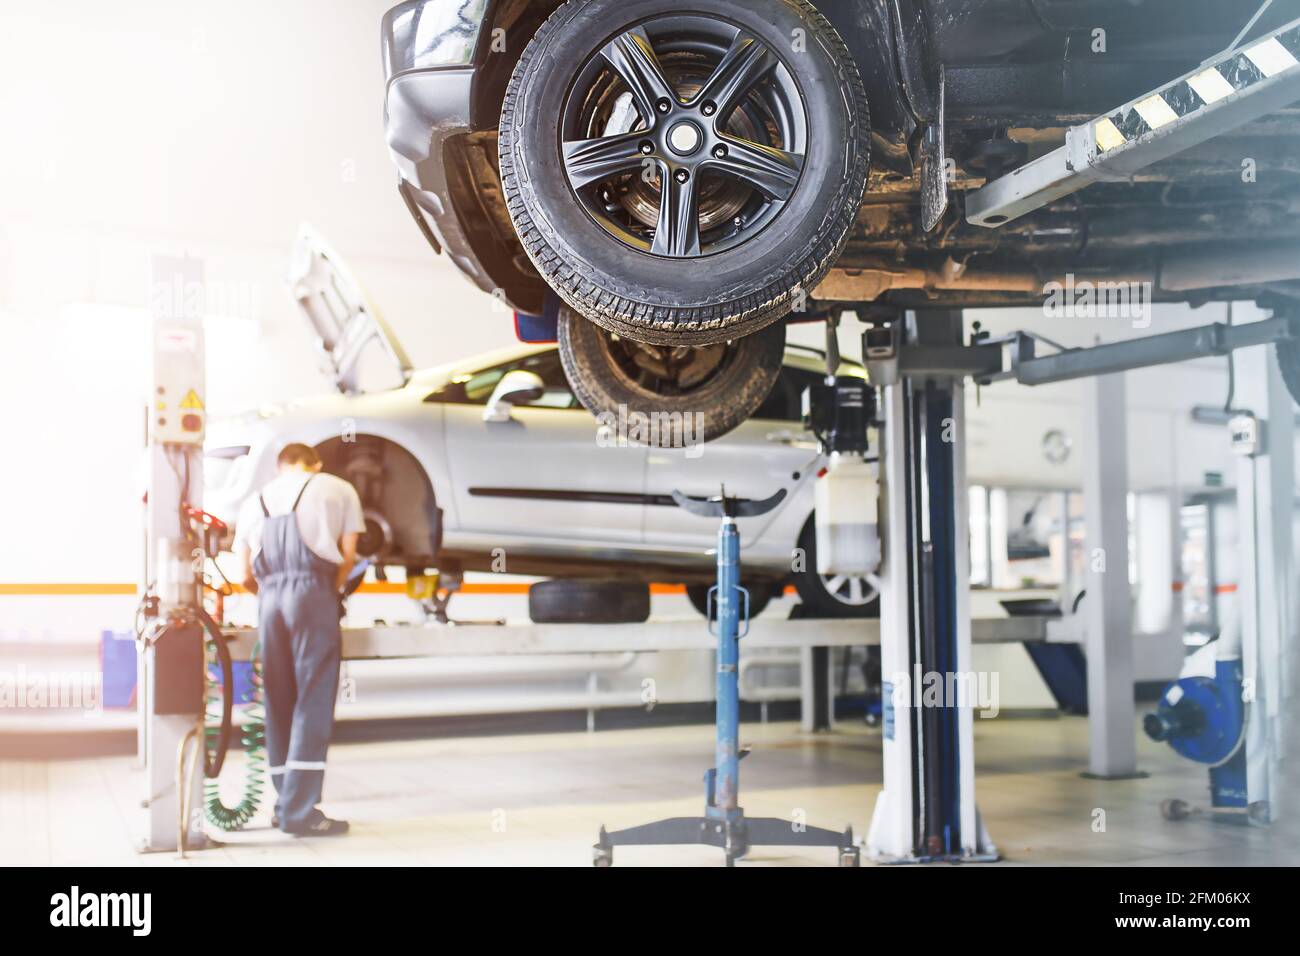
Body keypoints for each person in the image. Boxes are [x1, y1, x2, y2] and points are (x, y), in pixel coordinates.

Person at [234, 443, 365, 836]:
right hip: (313, 595)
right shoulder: (338, 488)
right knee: (314, 695)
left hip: (269, 600)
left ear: (280, 468)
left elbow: (243, 575)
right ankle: (301, 811)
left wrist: (275, 595)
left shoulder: (252, 501)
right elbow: (347, 558)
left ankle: (284, 803)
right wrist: (325, 595)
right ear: (315, 463)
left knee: (278, 698)